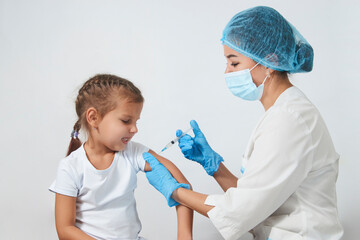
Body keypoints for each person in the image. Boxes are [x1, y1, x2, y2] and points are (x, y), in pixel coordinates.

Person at [143, 6, 343, 240]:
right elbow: (255, 200)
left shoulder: (289, 120)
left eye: (234, 63)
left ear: (270, 61)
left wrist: (175, 191)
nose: (227, 71)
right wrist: (215, 166)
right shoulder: (281, 113)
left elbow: (240, 212)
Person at [49, 74, 193, 240]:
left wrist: (184, 235)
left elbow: (182, 185)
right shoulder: (71, 167)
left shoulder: (133, 153)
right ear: (93, 118)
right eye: (126, 121)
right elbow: (65, 229)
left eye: (136, 122)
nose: (134, 129)